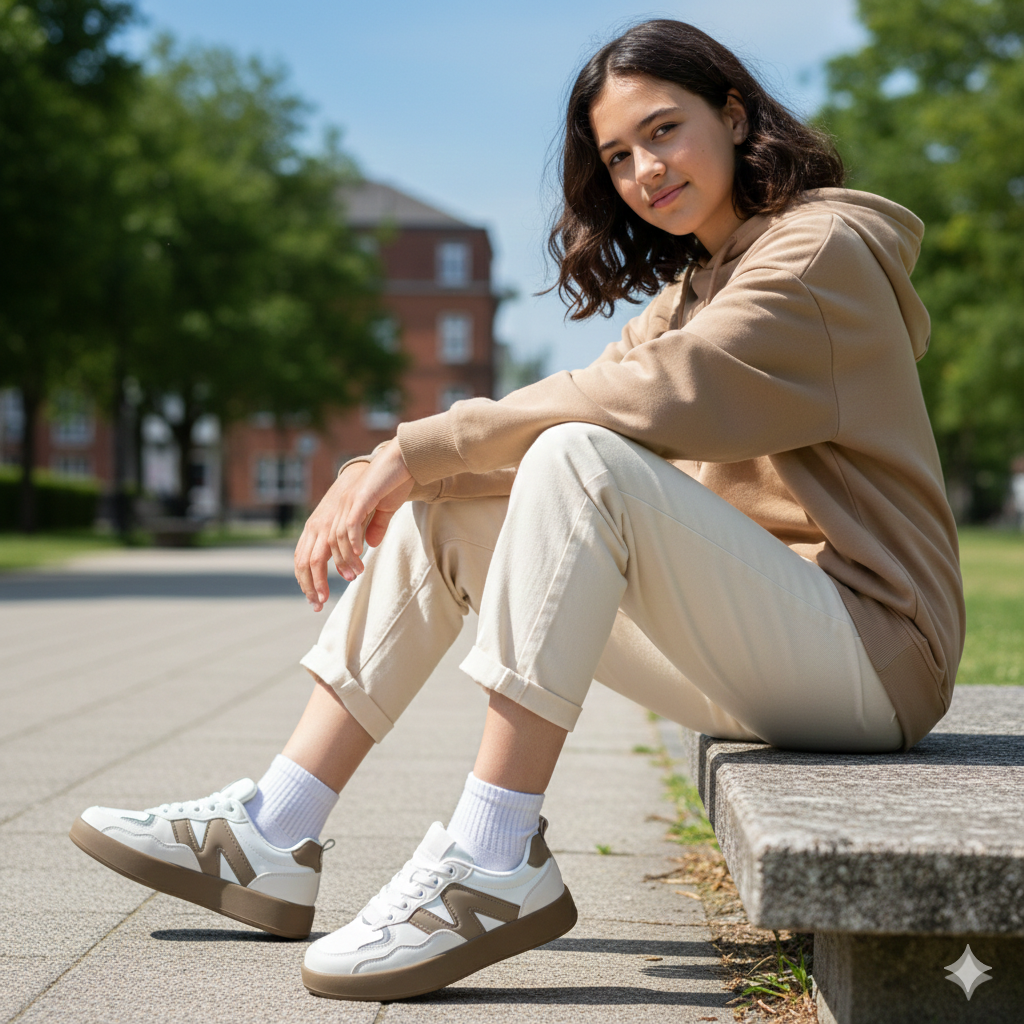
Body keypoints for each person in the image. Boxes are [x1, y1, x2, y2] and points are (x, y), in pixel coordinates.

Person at [69, 19, 964, 1002]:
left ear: (735, 113)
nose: (643, 171)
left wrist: (410, 447)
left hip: (873, 655)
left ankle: (494, 855)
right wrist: (403, 472)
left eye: (663, 131)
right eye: (618, 156)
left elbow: (640, 404)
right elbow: (562, 420)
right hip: (768, 653)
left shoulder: (816, 254)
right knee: (449, 508)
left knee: (574, 456)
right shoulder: (692, 288)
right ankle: (271, 829)